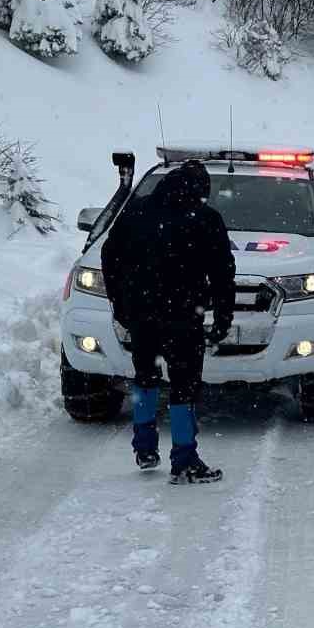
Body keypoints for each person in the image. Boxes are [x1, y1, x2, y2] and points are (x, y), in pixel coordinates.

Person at [101, 159, 235, 484]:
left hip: (141, 315)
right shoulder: (205, 219)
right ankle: (185, 458)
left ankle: (145, 447)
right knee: (183, 387)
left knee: (144, 376)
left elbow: (109, 255)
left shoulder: (137, 212)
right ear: (202, 190)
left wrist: (120, 302)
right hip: (183, 316)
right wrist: (222, 316)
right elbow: (222, 272)